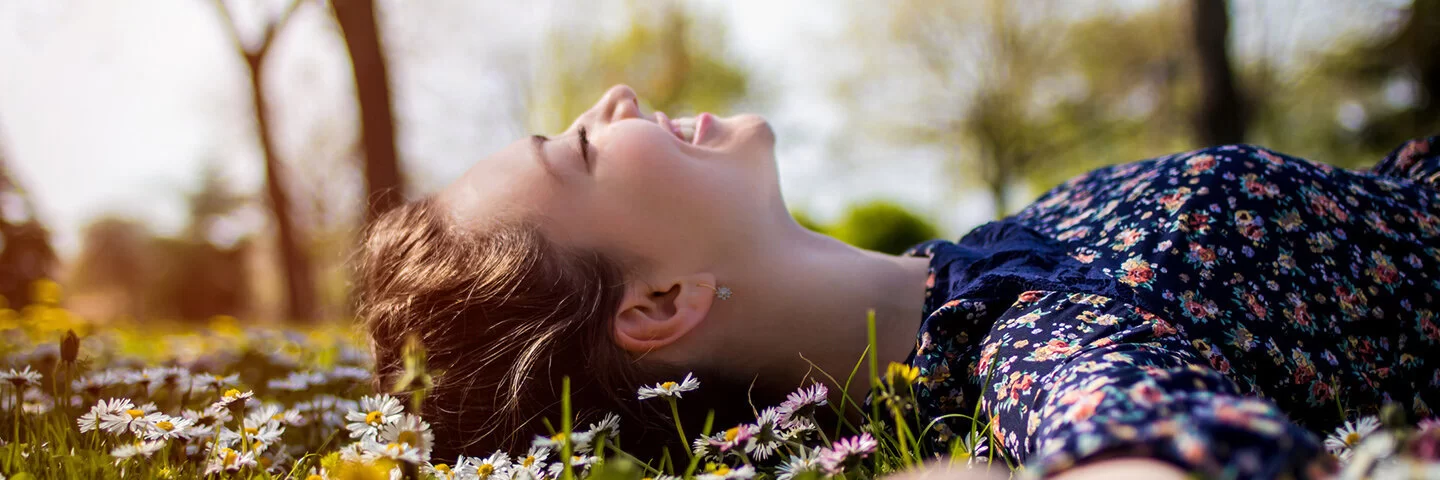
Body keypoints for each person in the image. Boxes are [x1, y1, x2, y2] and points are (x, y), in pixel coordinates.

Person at [355, 84, 1440, 479]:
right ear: (656, 305)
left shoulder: (984, 263)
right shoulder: (1031, 344)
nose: (620, 96)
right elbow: (1148, 446)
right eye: (582, 154)